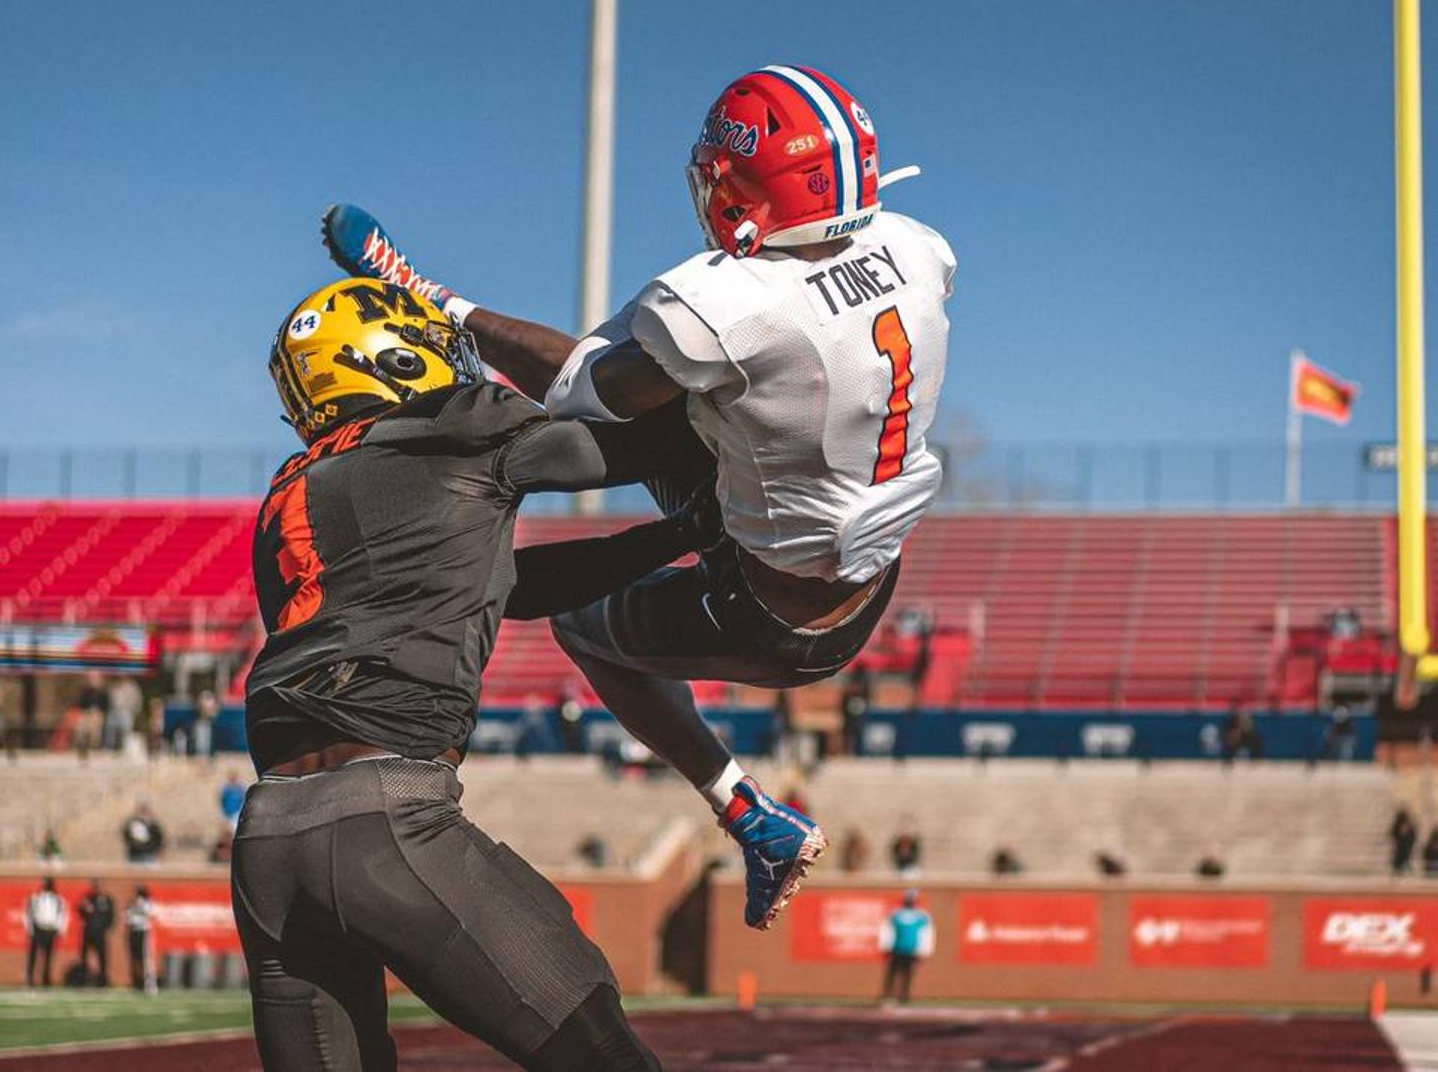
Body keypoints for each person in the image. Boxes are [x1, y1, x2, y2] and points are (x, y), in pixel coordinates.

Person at [324, 63, 956, 931]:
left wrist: (446, 308)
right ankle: (479, 452)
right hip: (853, 559)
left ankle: (749, 813)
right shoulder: (917, 247)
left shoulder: (738, 305)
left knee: (587, 616)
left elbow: (585, 383)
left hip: (776, 611)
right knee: (692, 403)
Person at [234, 277, 698, 1069]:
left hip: (268, 841)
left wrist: (674, 537)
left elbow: (509, 587)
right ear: (388, 357)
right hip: (387, 818)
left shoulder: (291, 488)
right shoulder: (451, 426)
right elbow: (636, 442)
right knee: (603, 1055)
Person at [879, 889, 934, 1004]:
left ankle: (904, 996)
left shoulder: (922, 916)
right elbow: (887, 930)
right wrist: (886, 946)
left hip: (912, 950)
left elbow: (927, 934)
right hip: (897, 949)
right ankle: (887, 995)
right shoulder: (896, 914)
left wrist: (924, 950)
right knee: (892, 973)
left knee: (908, 974)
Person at [23, 877, 67, 988]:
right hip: (38, 928)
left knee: (48, 956)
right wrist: (30, 929)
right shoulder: (36, 898)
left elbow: (62, 915)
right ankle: (30, 978)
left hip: (50, 930)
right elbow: (28, 914)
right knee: (33, 955)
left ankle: (46, 978)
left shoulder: (58, 900)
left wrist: (59, 929)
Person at [78, 879, 115, 987]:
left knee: (103, 958)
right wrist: (84, 908)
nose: (97, 888)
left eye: (98, 886)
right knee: (84, 957)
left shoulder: (107, 900)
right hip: (88, 932)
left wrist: (105, 928)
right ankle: (84, 980)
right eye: (95, 886)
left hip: (100, 933)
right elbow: (81, 912)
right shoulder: (88, 899)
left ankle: (102, 980)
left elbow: (111, 916)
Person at [125, 885, 156, 994]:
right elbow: (127, 917)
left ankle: (149, 985)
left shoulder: (147, 903)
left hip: (144, 931)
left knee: (146, 959)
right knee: (135, 959)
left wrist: (139, 906)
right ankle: (137, 983)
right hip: (134, 931)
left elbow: (150, 914)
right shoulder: (132, 903)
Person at [1389, 809, 1419, 876]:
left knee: (1405, 854)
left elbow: (1413, 835)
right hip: (1400, 846)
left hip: (1406, 845)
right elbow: (1393, 834)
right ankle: (1399, 868)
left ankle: (1404, 866)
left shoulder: (1410, 826)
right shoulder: (1397, 825)